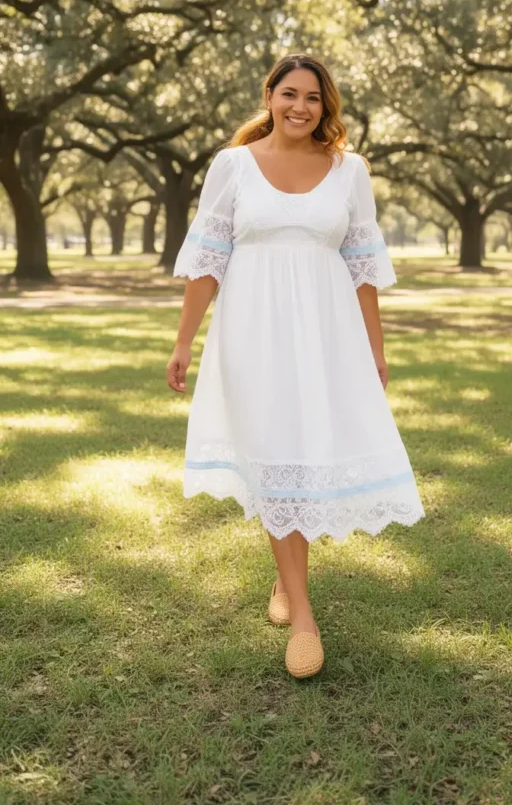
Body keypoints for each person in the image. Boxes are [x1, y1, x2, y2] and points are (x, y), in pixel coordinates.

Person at [166, 53, 425, 679]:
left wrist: (376, 348)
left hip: (327, 334)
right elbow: (208, 261)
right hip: (250, 331)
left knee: (303, 455)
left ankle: (287, 582)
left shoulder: (349, 171)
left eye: (313, 97)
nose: (300, 107)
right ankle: (303, 614)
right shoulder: (232, 166)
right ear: (270, 97)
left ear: (325, 106)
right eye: (289, 94)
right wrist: (183, 343)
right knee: (271, 452)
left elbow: (363, 267)